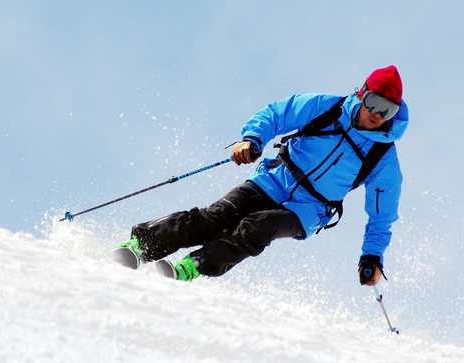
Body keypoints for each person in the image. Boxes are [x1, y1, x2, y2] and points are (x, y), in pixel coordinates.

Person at [112, 65, 408, 286]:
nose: (378, 114)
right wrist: (252, 139)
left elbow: (382, 216)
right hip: (273, 180)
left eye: (388, 109)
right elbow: (276, 114)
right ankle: (142, 247)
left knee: (258, 227)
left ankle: (192, 267)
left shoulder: (382, 157)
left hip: (309, 209)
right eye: (374, 102)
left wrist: (372, 257)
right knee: (215, 216)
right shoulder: (328, 107)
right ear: (361, 94)